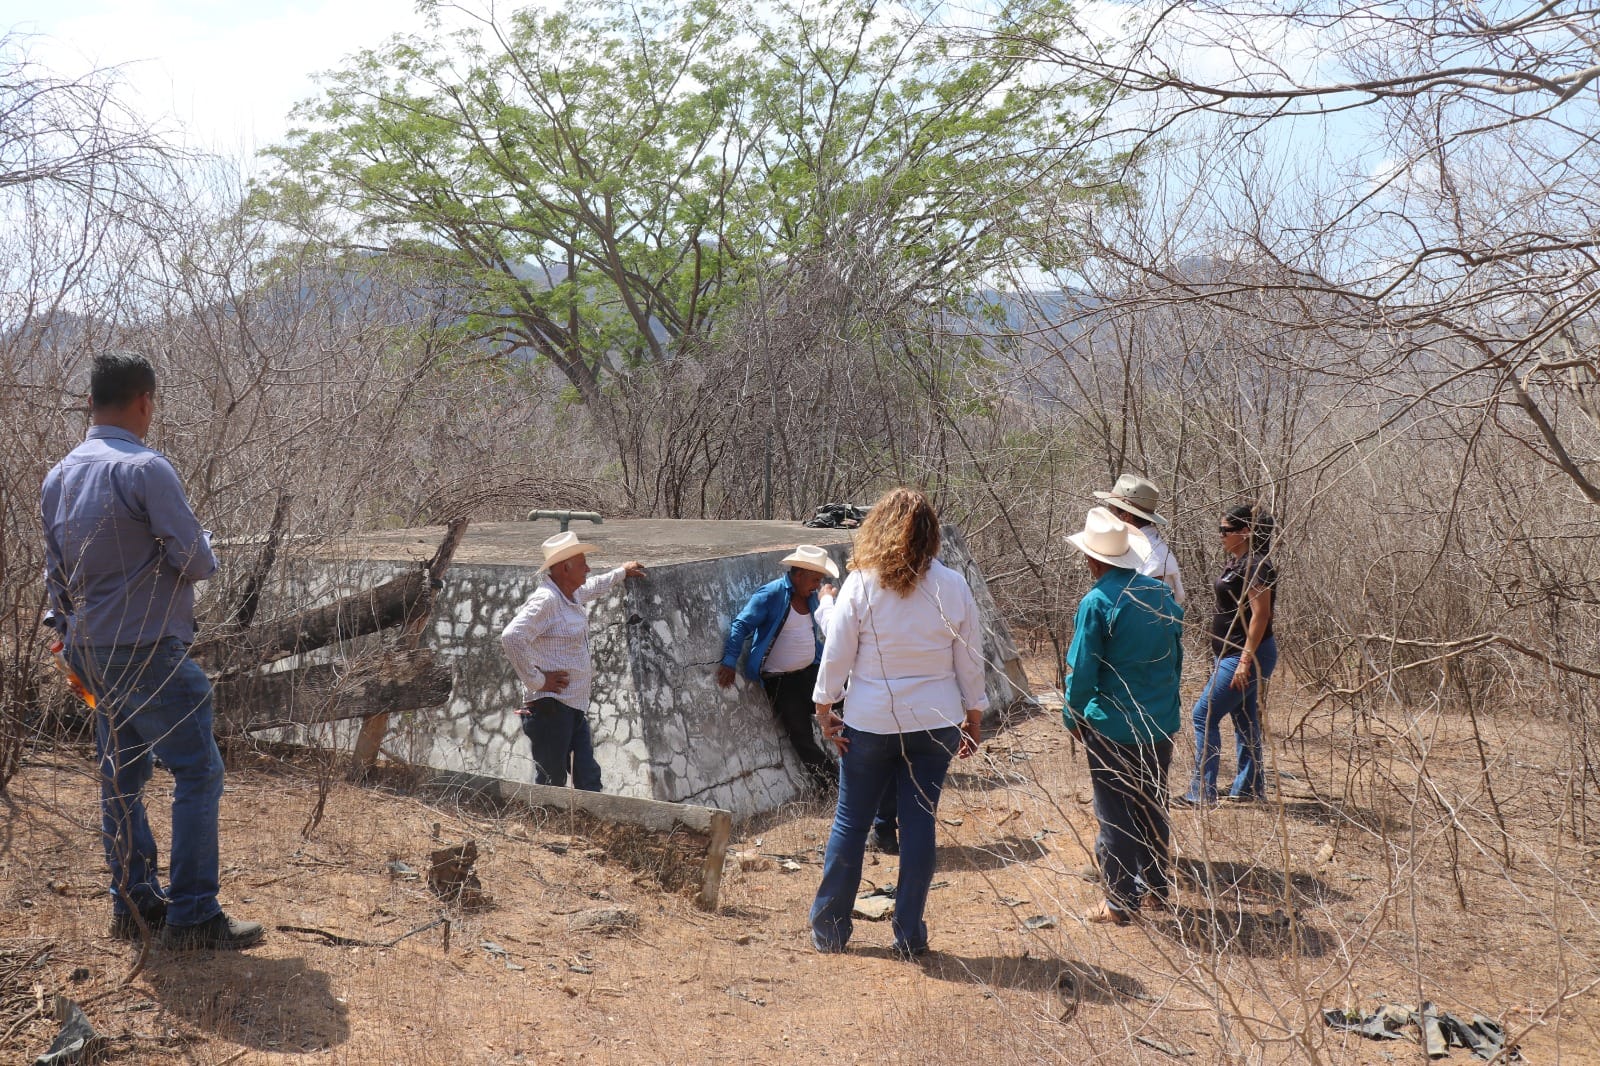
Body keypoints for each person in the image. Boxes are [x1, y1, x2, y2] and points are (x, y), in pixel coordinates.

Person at [42, 351, 264, 950]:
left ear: (91, 402)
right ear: (145, 402)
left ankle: (134, 906)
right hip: (148, 652)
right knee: (198, 771)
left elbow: (55, 579)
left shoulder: (58, 475)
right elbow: (197, 561)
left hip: (89, 649)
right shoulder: (146, 470)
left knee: (121, 780)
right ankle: (194, 915)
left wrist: (70, 637)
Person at [809, 487, 986, 958]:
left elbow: (837, 652)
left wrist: (824, 707)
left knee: (850, 821)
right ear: (931, 535)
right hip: (935, 721)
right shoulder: (953, 585)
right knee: (919, 824)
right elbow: (969, 657)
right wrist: (974, 712)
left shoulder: (862, 583)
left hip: (870, 722)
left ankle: (830, 930)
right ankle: (909, 935)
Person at [1062, 507, 1185, 924]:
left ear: (1093, 559)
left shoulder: (1097, 602)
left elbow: (1082, 673)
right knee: (1152, 804)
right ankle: (1155, 888)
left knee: (1115, 812)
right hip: (1160, 723)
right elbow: (1176, 663)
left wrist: (1073, 716)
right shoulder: (1162, 596)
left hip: (1115, 726)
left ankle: (1118, 901)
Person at [500, 531, 647, 791]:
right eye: (582, 564)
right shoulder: (546, 600)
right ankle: (545, 828)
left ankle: (586, 828)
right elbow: (512, 637)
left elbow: (593, 586)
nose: (588, 569)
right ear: (565, 568)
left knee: (588, 777)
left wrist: (621, 572)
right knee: (551, 781)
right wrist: (537, 680)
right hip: (551, 709)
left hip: (572, 706)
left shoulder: (570, 593)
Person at [716, 545, 843, 792]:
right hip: (783, 683)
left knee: (850, 701)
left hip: (811, 672)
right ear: (799, 575)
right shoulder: (772, 594)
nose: (817, 585)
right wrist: (729, 661)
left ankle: (861, 771)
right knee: (802, 738)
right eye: (814, 579)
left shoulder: (810, 598)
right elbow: (741, 624)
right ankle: (833, 786)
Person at [1179, 504, 1279, 806]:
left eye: (1225, 530)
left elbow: (1261, 616)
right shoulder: (1239, 562)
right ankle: (1249, 787)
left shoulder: (1257, 565)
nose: (1220, 535)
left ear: (1245, 532)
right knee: (1245, 719)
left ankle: (1202, 793)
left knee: (1204, 715)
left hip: (1245, 656)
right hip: (1229, 654)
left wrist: (1246, 660)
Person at [1095, 472, 1185, 604]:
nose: (1110, 516)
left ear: (1125, 516)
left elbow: (1152, 612)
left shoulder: (1153, 558)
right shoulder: (1141, 548)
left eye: (1112, 512)